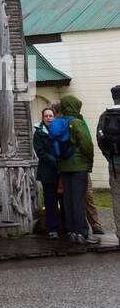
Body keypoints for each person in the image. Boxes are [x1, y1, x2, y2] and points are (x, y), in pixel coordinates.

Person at [55, 94, 94, 243]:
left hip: (64, 167)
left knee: (68, 200)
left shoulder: (59, 122)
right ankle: (81, 232)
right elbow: (86, 144)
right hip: (79, 167)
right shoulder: (77, 122)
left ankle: (71, 230)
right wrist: (89, 161)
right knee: (78, 200)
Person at [96, 84, 120, 241]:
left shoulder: (105, 116)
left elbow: (100, 140)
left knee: (117, 196)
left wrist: (109, 156)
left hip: (114, 163)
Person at [33, 107, 61, 239]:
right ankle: (52, 229)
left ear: (54, 117)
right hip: (47, 172)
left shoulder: (59, 131)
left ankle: (65, 226)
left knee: (64, 200)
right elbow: (41, 153)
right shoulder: (39, 133)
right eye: (46, 116)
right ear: (43, 118)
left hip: (61, 172)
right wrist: (55, 161)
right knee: (50, 202)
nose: (48, 118)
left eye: (50, 116)